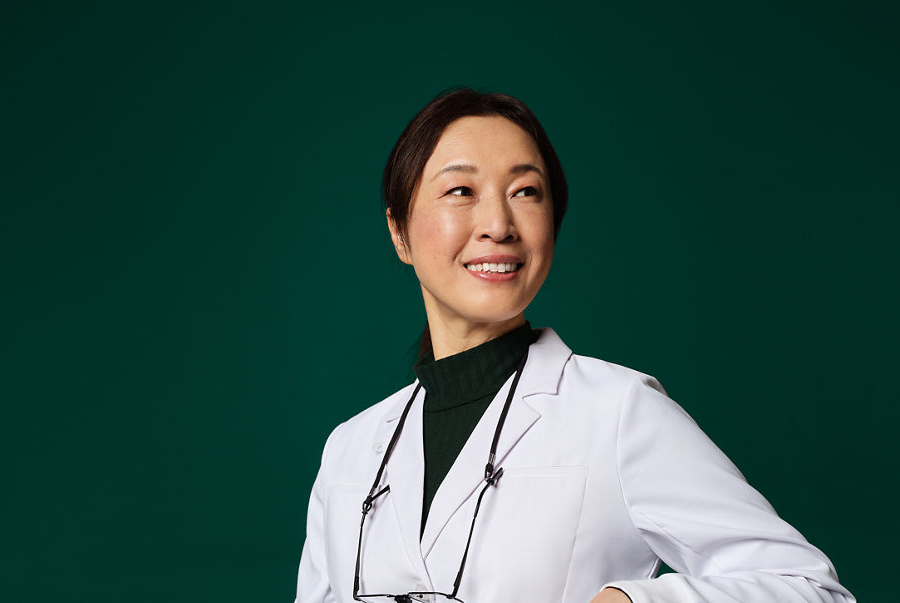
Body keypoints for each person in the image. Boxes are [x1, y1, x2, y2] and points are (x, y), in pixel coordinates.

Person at [295, 89, 854, 603]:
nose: (498, 223)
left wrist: (639, 601)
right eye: (461, 190)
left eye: (526, 192)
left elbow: (811, 590)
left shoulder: (618, 413)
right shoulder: (349, 449)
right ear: (399, 232)